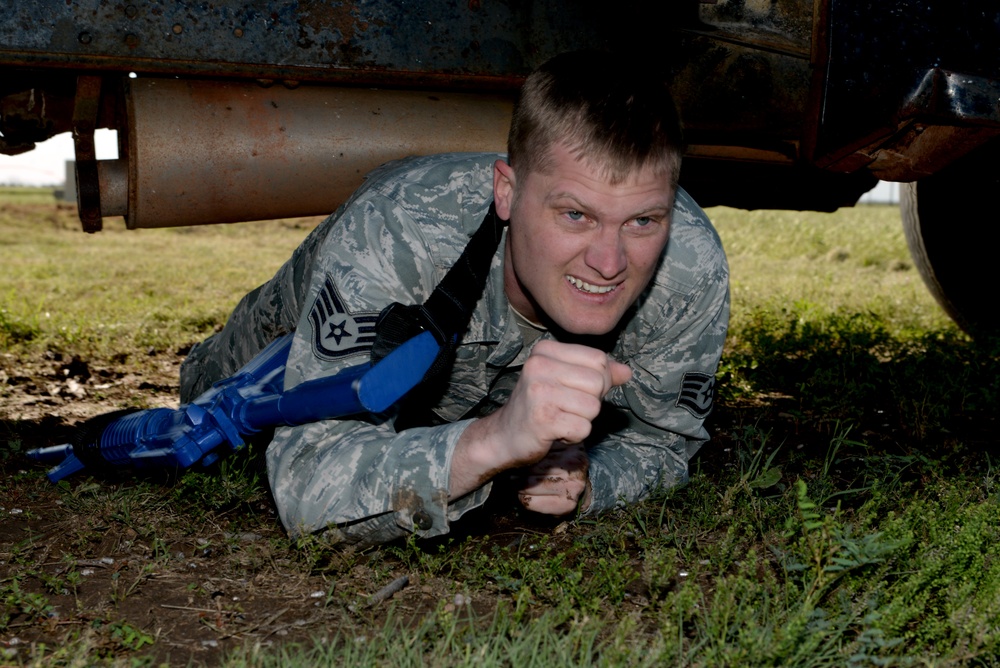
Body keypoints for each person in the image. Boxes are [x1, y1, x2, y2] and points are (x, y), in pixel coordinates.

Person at [179, 50, 730, 547]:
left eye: (641, 220)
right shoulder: (403, 229)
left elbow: (662, 446)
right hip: (294, 347)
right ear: (507, 192)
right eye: (575, 215)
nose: (610, 263)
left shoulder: (687, 267)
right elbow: (308, 488)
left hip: (467, 394)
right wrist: (491, 444)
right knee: (213, 408)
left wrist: (590, 480)